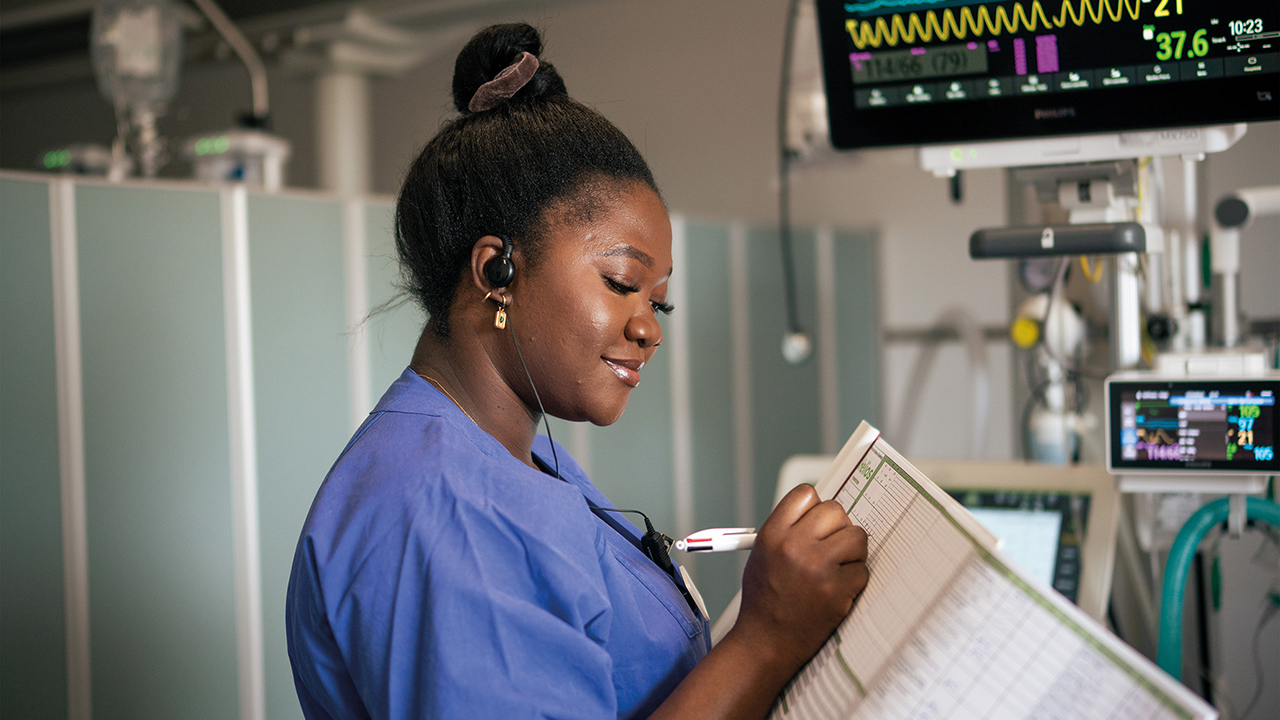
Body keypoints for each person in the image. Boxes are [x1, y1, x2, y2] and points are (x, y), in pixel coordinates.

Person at [286, 23, 869, 720]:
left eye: (661, 302)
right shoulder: (445, 515)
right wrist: (766, 638)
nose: (650, 328)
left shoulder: (509, 459)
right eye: (622, 283)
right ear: (495, 270)